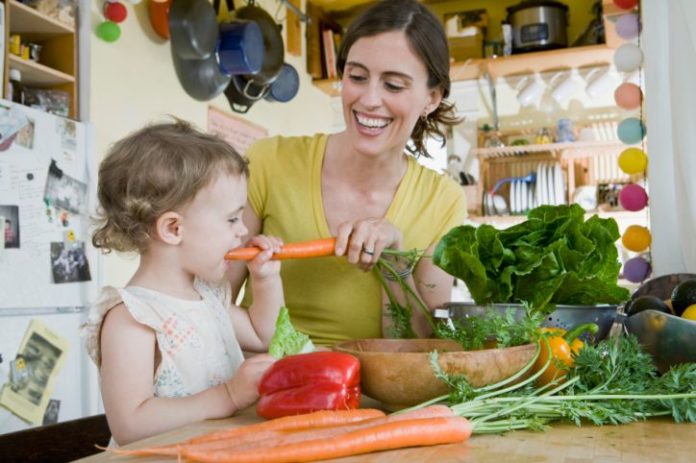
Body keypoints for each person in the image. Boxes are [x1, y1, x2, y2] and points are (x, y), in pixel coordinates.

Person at [228, 0, 466, 345]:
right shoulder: (269, 162)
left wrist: (395, 262)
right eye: (356, 77)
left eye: (393, 85)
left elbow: (417, 349)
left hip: (373, 395)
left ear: (431, 98)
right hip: (264, 384)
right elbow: (211, 300)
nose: (369, 99)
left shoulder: (442, 201)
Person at [82, 120, 284, 446]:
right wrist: (229, 396)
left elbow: (264, 336)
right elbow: (130, 425)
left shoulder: (209, 297)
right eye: (232, 219)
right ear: (174, 229)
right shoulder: (132, 317)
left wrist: (266, 279)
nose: (242, 231)